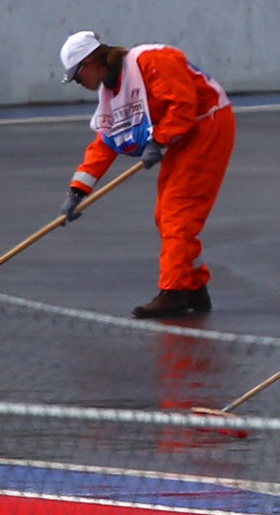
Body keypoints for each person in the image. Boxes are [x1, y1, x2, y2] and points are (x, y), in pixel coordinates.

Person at [58, 30, 236, 320]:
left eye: (78, 76)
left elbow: (184, 103)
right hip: (183, 135)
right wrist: (76, 191)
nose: (80, 83)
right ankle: (193, 285)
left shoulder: (151, 61)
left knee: (179, 213)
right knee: (165, 214)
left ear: (90, 63)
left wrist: (159, 140)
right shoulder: (111, 92)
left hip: (207, 124)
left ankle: (174, 291)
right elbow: (104, 144)